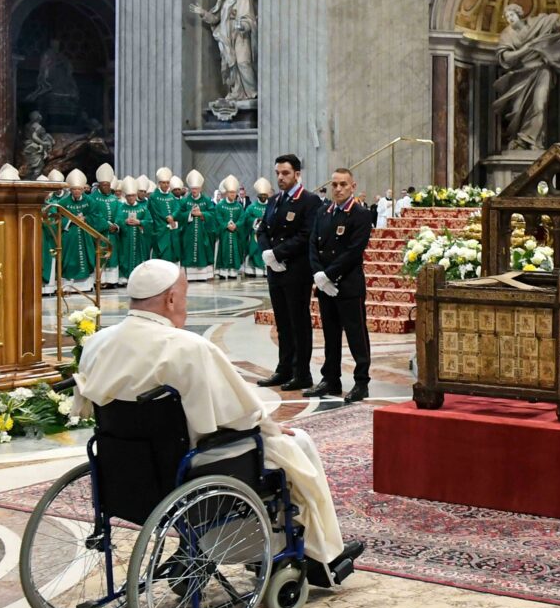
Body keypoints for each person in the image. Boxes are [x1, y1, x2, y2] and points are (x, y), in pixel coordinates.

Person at [72, 260, 364, 578]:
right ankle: (324, 556)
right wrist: (268, 425)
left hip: (126, 467)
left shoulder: (98, 342)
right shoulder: (187, 347)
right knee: (297, 444)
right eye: (183, 296)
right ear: (171, 299)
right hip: (190, 464)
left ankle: (200, 549)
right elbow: (242, 415)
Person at [304, 168, 372, 403]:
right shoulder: (323, 212)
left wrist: (329, 275)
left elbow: (354, 252)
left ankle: (361, 382)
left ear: (353, 187)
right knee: (330, 335)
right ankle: (331, 379)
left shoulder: (360, 214)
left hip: (348, 285)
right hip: (325, 286)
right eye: (334, 184)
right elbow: (313, 244)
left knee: (356, 335)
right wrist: (318, 275)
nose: (338, 189)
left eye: (343, 184)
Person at [255, 153, 321, 392]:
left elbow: (306, 235)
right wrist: (266, 254)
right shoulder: (273, 201)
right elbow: (263, 230)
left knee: (298, 323)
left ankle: (302, 373)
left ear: (297, 174)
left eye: (285, 173)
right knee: (282, 323)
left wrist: (278, 253)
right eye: (278, 174)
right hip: (276, 270)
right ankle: (284, 369)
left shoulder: (310, 201)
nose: (281, 178)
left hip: (296, 270)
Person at [493, 4, 560, 149]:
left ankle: (531, 140)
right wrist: (525, 49)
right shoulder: (507, 34)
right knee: (517, 109)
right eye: (507, 17)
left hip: (542, 70)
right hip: (521, 74)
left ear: (519, 14)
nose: (509, 19)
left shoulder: (537, 23)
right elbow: (506, 57)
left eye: (511, 15)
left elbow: (556, 22)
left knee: (539, 105)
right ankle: (518, 141)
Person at [53, 169, 106, 292]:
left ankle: (85, 286)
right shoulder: (63, 202)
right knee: (68, 260)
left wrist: (86, 218)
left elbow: (97, 216)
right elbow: (58, 218)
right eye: (74, 189)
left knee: (87, 258)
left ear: (83, 189)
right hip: (69, 235)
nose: (76, 191)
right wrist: (72, 220)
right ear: (70, 190)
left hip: (85, 234)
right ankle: (68, 287)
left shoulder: (90, 201)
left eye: (79, 189)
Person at [115, 175, 153, 283]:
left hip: (139, 239)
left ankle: (138, 276)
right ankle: (124, 278)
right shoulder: (121, 207)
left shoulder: (142, 208)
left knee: (139, 257)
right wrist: (124, 222)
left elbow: (150, 222)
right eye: (128, 196)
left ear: (136, 195)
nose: (131, 198)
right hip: (125, 239)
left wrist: (140, 222)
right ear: (125, 196)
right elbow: (117, 221)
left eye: (133, 195)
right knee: (124, 256)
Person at [180, 169, 216, 282]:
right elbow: (180, 214)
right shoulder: (185, 200)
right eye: (192, 189)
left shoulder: (206, 200)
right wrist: (190, 213)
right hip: (189, 233)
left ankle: (202, 275)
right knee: (189, 251)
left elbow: (213, 213)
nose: (194, 190)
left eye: (196, 188)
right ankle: (190, 276)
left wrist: (201, 214)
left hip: (202, 232)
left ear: (200, 188)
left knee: (202, 251)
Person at [89, 163, 122, 287]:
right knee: (100, 254)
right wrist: (107, 224)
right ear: (99, 185)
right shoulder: (92, 198)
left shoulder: (114, 198)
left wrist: (116, 225)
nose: (106, 187)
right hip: (99, 233)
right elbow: (94, 214)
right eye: (104, 185)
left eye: (108, 185)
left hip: (113, 233)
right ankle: (100, 281)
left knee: (112, 256)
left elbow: (120, 213)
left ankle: (111, 280)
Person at [213, 175, 248, 278]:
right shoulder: (220, 205)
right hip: (224, 233)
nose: (232, 194)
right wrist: (226, 225)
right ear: (226, 193)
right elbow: (218, 218)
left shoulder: (239, 206)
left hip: (235, 233)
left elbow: (242, 218)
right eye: (230, 192)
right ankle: (223, 272)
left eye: (234, 192)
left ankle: (233, 272)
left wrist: (236, 225)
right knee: (224, 251)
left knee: (235, 251)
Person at [40, 168, 67, 295]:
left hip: (48, 238)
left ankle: (48, 288)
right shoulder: (28, 206)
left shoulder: (51, 207)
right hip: (36, 238)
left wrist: (45, 222)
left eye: (45, 192)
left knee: (48, 257)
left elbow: (56, 223)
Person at [148, 167, 183, 264]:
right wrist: (168, 218)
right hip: (160, 229)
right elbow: (155, 212)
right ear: (159, 183)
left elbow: (177, 208)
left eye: (167, 183)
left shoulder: (171, 196)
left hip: (172, 229)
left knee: (173, 252)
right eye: (163, 183)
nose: (166, 185)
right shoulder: (154, 196)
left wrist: (173, 216)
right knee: (162, 253)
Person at [243, 177, 272, 277]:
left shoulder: (271, 206)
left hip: (268, 234)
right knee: (256, 251)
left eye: (265, 195)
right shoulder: (251, 207)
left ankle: (266, 271)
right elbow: (246, 219)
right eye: (261, 195)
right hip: (255, 234)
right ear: (257, 195)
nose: (263, 196)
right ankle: (252, 271)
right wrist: (256, 220)